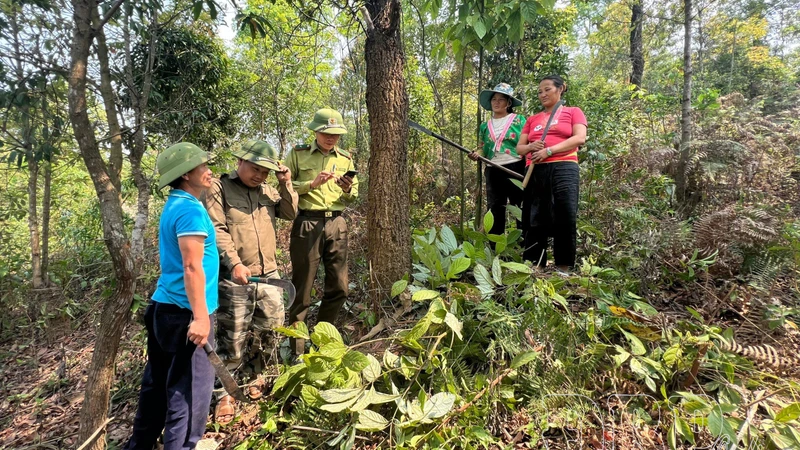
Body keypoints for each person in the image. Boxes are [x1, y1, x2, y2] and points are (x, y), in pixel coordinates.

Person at [125, 142, 218, 450]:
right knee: (188, 397)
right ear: (186, 174)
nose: (208, 171)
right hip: (185, 314)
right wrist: (201, 317)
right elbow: (191, 266)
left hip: (164, 308)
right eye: (202, 166)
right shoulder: (190, 210)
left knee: (156, 388)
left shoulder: (176, 204)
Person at [205, 140, 298, 424]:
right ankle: (225, 392)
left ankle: (255, 376)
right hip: (235, 276)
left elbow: (290, 213)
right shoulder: (219, 188)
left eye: (265, 172)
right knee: (232, 338)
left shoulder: (268, 190)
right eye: (255, 169)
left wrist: (285, 183)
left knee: (269, 330)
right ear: (240, 162)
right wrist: (234, 263)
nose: (259, 175)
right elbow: (217, 229)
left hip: (268, 275)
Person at [285, 108, 358, 356]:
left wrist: (347, 188)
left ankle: (322, 340)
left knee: (340, 287)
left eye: (336, 134)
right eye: (327, 133)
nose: (331, 138)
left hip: (337, 224)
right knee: (302, 289)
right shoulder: (298, 154)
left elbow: (353, 195)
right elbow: (284, 187)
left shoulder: (345, 158)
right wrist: (311, 184)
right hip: (308, 223)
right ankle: (297, 351)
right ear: (315, 131)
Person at [516, 75, 587, 271]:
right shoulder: (532, 119)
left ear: (560, 88)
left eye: (547, 89)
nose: (543, 94)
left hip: (564, 166)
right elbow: (519, 148)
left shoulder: (573, 112)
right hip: (535, 169)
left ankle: (563, 266)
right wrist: (531, 146)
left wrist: (549, 151)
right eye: (540, 91)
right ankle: (534, 264)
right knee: (535, 215)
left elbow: (579, 138)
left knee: (565, 213)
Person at [469, 82, 526, 237]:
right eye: (494, 99)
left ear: (508, 103)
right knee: (495, 207)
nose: (496, 102)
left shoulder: (519, 120)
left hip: (516, 167)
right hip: (493, 169)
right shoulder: (485, 126)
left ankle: (524, 243)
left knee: (520, 205)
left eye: (501, 99)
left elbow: (527, 142)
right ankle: (496, 245)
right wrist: (476, 153)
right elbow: (482, 147)